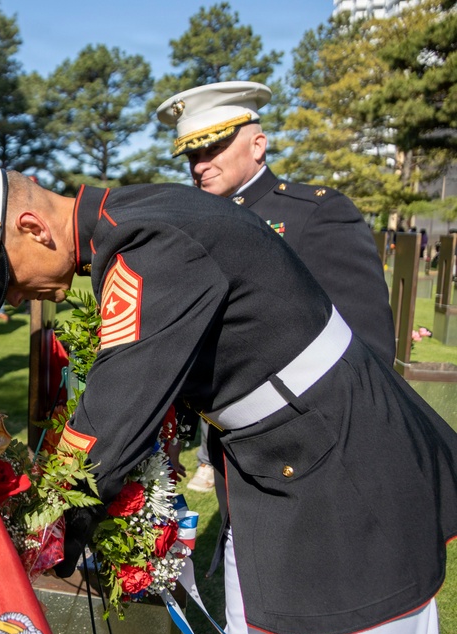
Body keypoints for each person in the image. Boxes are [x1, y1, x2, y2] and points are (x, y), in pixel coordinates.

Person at [0, 149, 454, 634]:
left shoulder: (144, 244)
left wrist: (48, 517)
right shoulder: (136, 212)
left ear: (33, 227)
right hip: (285, 462)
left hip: (346, 481)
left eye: (2, 281)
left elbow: (116, 408)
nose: (10, 302)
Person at [155, 81, 396, 494]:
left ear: (258, 145)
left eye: (213, 149)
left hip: (310, 456)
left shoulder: (316, 215)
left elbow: (368, 349)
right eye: (192, 155)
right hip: (233, 451)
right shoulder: (195, 229)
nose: (199, 165)